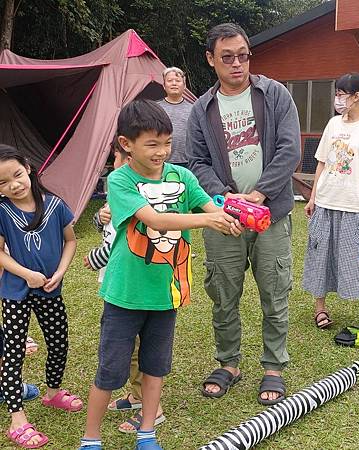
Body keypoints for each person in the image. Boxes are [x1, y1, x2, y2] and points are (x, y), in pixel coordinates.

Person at [79, 99, 241, 450]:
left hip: (166, 293)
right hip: (125, 293)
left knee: (155, 367)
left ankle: (147, 432)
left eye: (166, 143)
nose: (161, 151)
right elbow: (154, 220)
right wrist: (206, 220)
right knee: (110, 370)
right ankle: (91, 439)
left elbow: (210, 206)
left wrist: (231, 214)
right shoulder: (120, 180)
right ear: (127, 144)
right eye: (152, 144)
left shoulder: (181, 176)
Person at [186, 22, 301, 406]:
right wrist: (228, 199)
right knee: (223, 292)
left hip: (271, 213)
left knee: (274, 290)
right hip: (223, 218)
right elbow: (197, 163)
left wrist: (259, 194)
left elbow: (289, 150)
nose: (237, 64)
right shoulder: (201, 110)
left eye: (243, 56)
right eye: (227, 57)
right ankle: (229, 362)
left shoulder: (275, 95)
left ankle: (273, 366)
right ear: (210, 60)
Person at [0, 145, 81, 448]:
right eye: (3, 183)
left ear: (28, 168)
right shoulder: (2, 211)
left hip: (50, 289)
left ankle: (52, 393)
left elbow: (70, 241)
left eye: (16, 175)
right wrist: (24, 273)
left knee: (59, 342)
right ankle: (17, 418)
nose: (13, 185)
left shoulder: (56, 205)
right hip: (16, 293)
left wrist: (60, 272)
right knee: (14, 351)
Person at [83, 137, 165, 433]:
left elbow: (126, 241)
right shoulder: (115, 191)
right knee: (128, 351)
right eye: (116, 161)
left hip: (135, 285)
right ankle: (134, 396)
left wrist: (93, 258)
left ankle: (152, 409)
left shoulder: (139, 193)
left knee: (144, 350)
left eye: (121, 161)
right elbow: (105, 231)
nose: (118, 168)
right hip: (116, 284)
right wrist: (100, 216)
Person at [302, 72, 359, 334]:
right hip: (327, 202)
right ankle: (319, 308)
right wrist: (313, 197)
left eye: (342, 94)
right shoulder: (333, 124)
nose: (338, 99)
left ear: (357, 96)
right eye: (337, 93)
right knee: (321, 256)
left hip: (356, 205)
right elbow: (322, 162)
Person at [156, 67, 193, 169]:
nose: (174, 83)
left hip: (188, 161)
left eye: (178, 81)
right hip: (161, 160)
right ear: (164, 86)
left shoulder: (193, 109)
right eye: (169, 81)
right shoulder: (156, 109)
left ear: (184, 86)